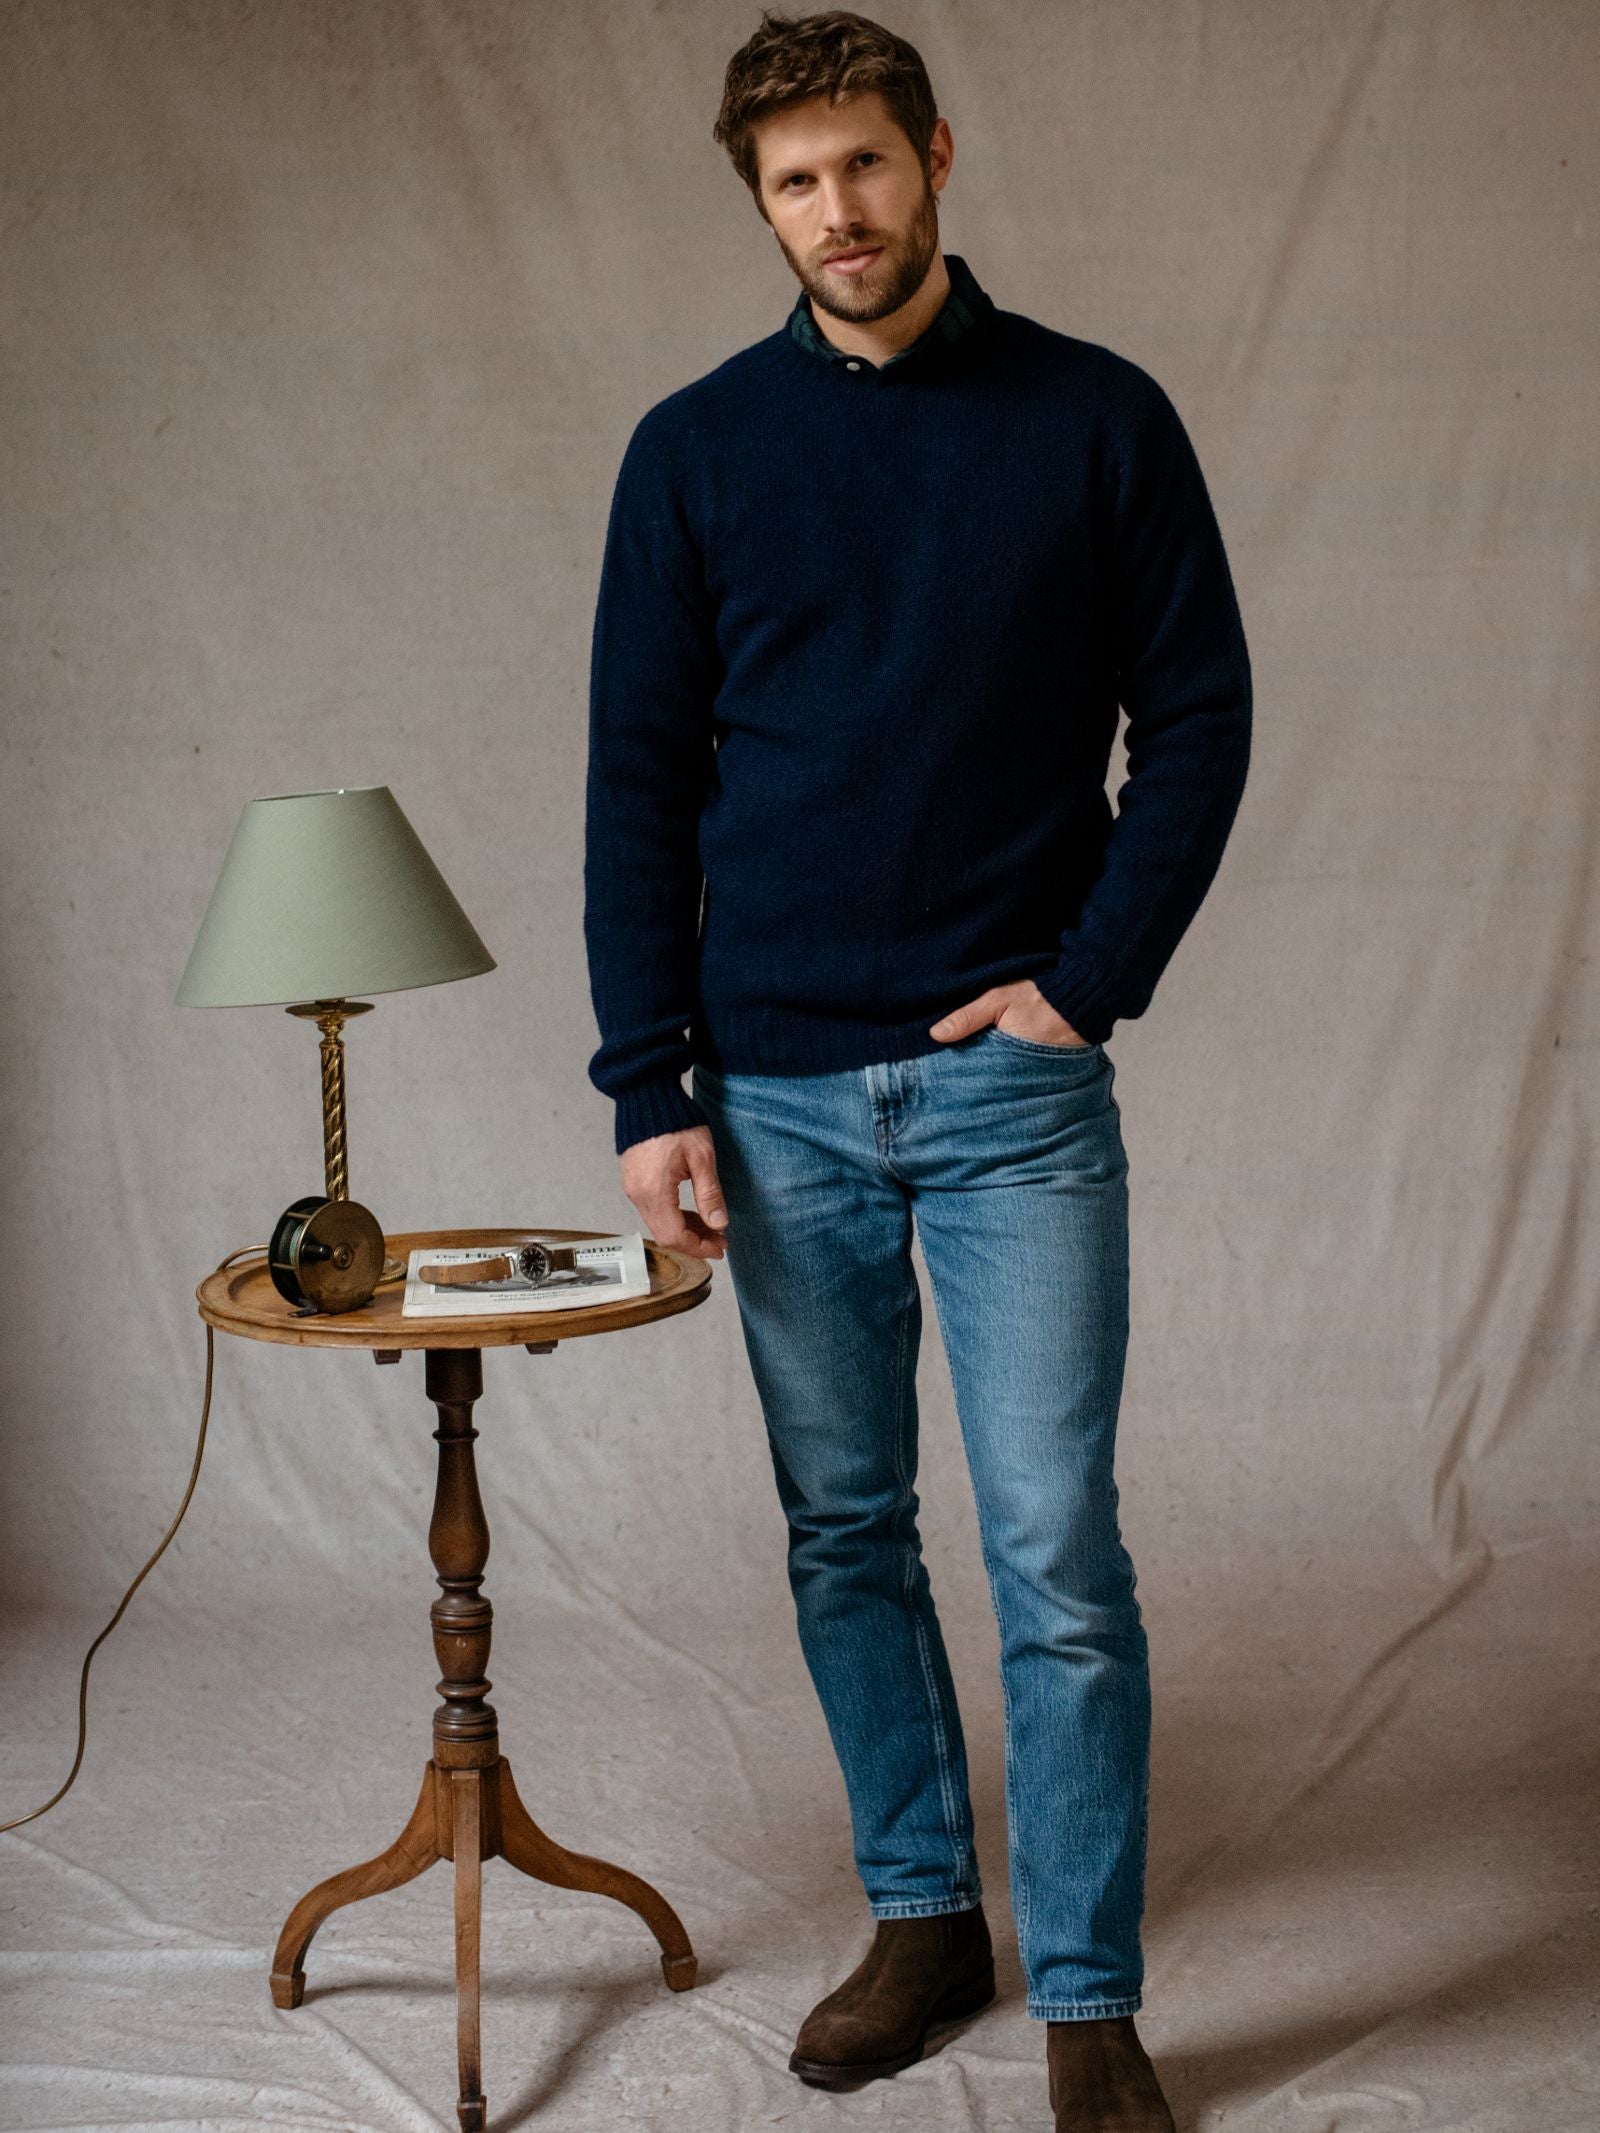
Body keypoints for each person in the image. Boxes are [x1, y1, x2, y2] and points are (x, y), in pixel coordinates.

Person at [582, 11, 1250, 2127]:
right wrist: (648, 1086)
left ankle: (1083, 1992)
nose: (836, 212)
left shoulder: (1092, 418)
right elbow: (634, 785)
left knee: (1056, 1546)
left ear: (934, 155)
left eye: (863, 165)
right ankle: (918, 1912)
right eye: (793, 182)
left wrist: (1084, 982)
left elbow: (1202, 717)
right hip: (768, 1094)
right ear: (759, 204)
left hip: (1007, 1097)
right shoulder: (691, 451)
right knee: (843, 1528)